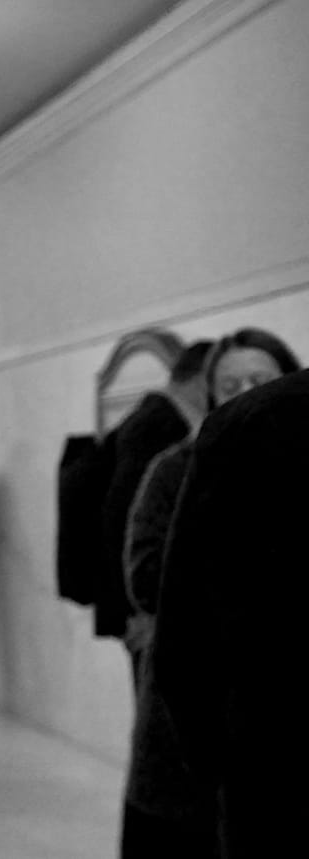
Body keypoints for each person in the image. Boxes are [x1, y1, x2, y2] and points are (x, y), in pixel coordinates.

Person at [121, 329, 298, 857]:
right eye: (230, 384)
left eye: (259, 380)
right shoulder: (178, 467)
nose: (244, 392)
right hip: (194, 722)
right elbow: (146, 573)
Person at [98, 340, 212, 689]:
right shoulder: (159, 427)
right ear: (200, 380)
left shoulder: (148, 420)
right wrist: (138, 611)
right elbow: (125, 519)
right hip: (148, 615)